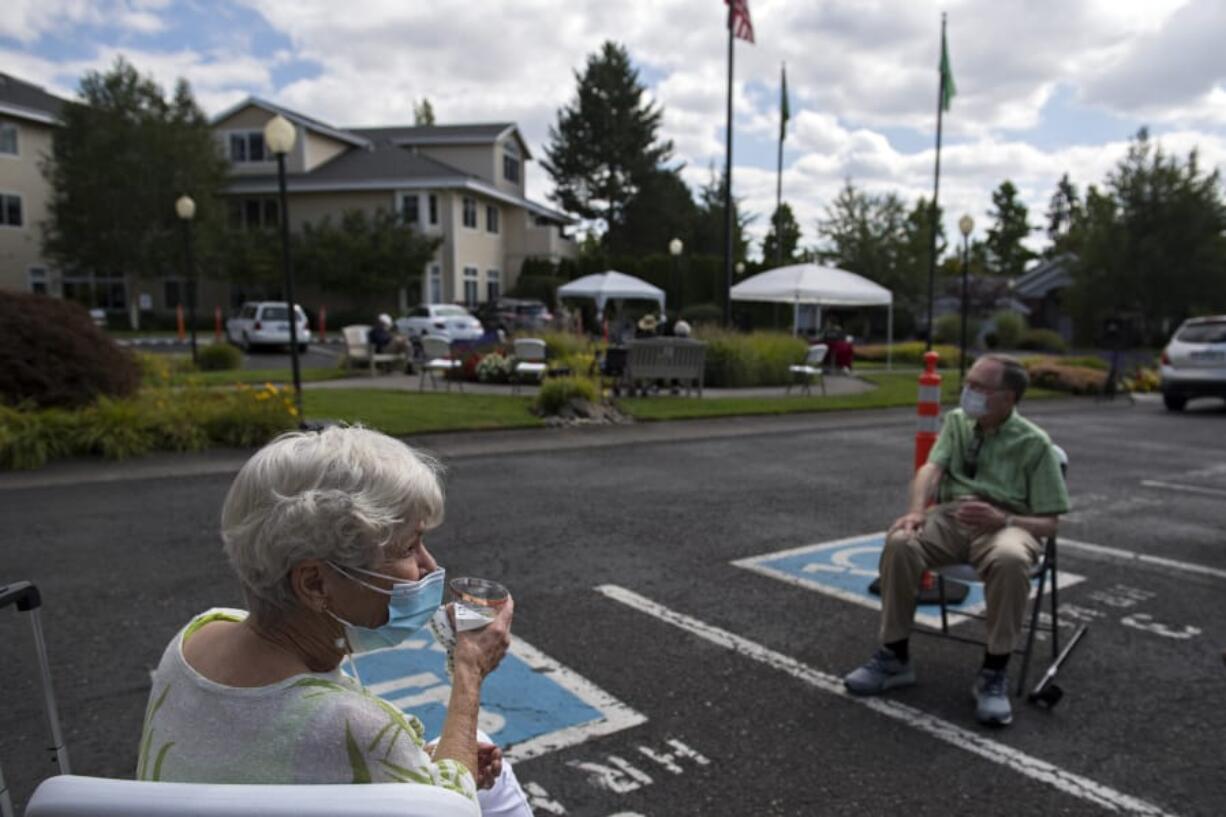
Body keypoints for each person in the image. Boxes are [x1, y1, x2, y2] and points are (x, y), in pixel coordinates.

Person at [136, 427, 531, 815]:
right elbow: (453, 811)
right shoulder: (349, 726)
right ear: (314, 583)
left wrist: (409, 760)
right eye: (409, 547)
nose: (430, 566)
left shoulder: (199, 631)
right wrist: (469, 669)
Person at [843, 354, 1069, 727]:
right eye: (968, 383)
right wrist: (917, 511)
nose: (968, 392)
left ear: (1008, 398)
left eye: (980, 387)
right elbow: (932, 468)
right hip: (951, 516)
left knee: (1012, 559)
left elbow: (1050, 523)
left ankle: (993, 673)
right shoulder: (957, 423)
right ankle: (894, 655)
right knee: (901, 541)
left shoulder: (1036, 444)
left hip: (1006, 522)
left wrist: (1005, 518)